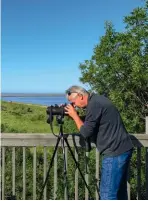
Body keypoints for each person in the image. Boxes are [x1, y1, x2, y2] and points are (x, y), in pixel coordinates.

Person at [64, 85, 133, 200]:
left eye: (73, 102)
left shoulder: (95, 104)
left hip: (114, 152)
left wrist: (75, 116)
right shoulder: (96, 101)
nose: (74, 106)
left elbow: (86, 132)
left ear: (80, 96)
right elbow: (91, 120)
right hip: (122, 149)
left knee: (107, 195)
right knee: (120, 193)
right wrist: (72, 116)